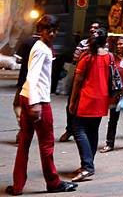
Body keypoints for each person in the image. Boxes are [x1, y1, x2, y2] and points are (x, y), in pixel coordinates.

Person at [7, 15, 78, 195]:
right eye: (48, 30)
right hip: (37, 99)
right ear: (41, 30)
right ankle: (53, 182)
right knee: (46, 144)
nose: (52, 34)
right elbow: (33, 76)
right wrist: (35, 103)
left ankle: (18, 186)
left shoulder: (41, 46)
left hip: (28, 96)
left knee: (24, 143)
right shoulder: (41, 49)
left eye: (54, 30)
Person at [69, 27, 111, 182]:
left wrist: (72, 101)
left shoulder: (86, 56)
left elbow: (78, 80)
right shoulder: (109, 56)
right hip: (102, 98)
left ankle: (87, 167)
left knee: (79, 130)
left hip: (87, 97)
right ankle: (88, 164)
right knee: (93, 130)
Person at [60, 21, 101, 143]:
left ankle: (84, 130)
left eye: (96, 28)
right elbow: (75, 59)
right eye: (91, 27)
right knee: (70, 104)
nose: (93, 30)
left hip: (94, 81)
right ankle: (70, 129)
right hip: (80, 75)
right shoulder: (83, 43)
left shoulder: (103, 46)